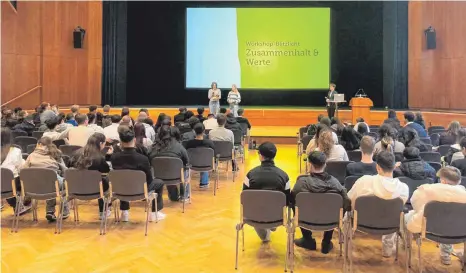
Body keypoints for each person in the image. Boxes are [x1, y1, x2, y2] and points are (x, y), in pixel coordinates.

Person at [348, 151, 409, 257]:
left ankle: (346, 244)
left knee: (347, 214)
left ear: (377, 167)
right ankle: (388, 248)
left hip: (362, 223)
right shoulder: (403, 188)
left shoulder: (364, 181)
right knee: (393, 214)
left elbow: (350, 200)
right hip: (390, 224)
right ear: (394, 167)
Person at [405, 166, 466, 265]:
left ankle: (406, 245)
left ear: (443, 180)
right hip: (458, 231)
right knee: (450, 221)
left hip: (428, 230)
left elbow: (415, 205)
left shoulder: (426, 190)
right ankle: (446, 254)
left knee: (407, 216)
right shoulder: (464, 194)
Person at [292, 151, 351, 253]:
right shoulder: (335, 183)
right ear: (325, 164)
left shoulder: (300, 183)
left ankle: (307, 239)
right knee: (334, 210)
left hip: (305, 220)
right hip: (330, 221)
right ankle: (326, 242)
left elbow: (292, 201)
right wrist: (339, 217)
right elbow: (346, 203)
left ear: (309, 164)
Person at [110, 125, 166, 222]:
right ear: (134, 140)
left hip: (120, 188)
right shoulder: (142, 158)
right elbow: (149, 180)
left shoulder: (114, 157)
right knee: (159, 182)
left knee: (124, 180)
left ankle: (124, 212)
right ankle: (154, 213)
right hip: (140, 189)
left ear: (121, 142)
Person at [243, 142, 290, 242]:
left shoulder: (250, 175)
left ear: (260, 156)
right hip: (277, 215)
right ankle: (272, 224)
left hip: (255, 215)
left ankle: (265, 236)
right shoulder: (284, 176)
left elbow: (244, 197)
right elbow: (287, 199)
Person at [22, 137, 70, 221]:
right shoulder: (55, 153)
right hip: (52, 182)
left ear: (39, 144)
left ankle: (49, 211)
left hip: (34, 186)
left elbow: (23, 170)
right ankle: (63, 211)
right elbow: (65, 170)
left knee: (47, 182)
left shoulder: (32, 155)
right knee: (62, 185)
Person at [69, 133, 113, 219]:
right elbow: (106, 170)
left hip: (76, 187)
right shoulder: (99, 157)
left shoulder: (75, 153)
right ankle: (103, 211)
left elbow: (69, 167)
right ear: (101, 144)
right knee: (102, 180)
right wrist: (108, 157)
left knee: (98, 180)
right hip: (96, 189)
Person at [150, 125, 190, 202]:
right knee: (185, 168)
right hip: (175, 176)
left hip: (157, 176)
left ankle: (173, 196)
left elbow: (149, 160)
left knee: (166, 170)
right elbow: (187, 161)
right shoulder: (179, 146)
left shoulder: (153, 147)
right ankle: (184, 196)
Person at [1, 128, 31, 215]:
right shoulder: (16, 151)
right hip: (11, 183)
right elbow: (20, 168)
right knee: (24, 177)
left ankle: (17, 204)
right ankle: (21, 204)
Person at [183, 123, 214, 188]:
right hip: (206, 164)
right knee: (204, 159)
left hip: (192, 165)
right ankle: (204, 183)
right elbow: (213, 154)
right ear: (204, 131)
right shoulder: (209, 143)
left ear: (194, 131)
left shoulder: (189, 143)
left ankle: (186, 184)